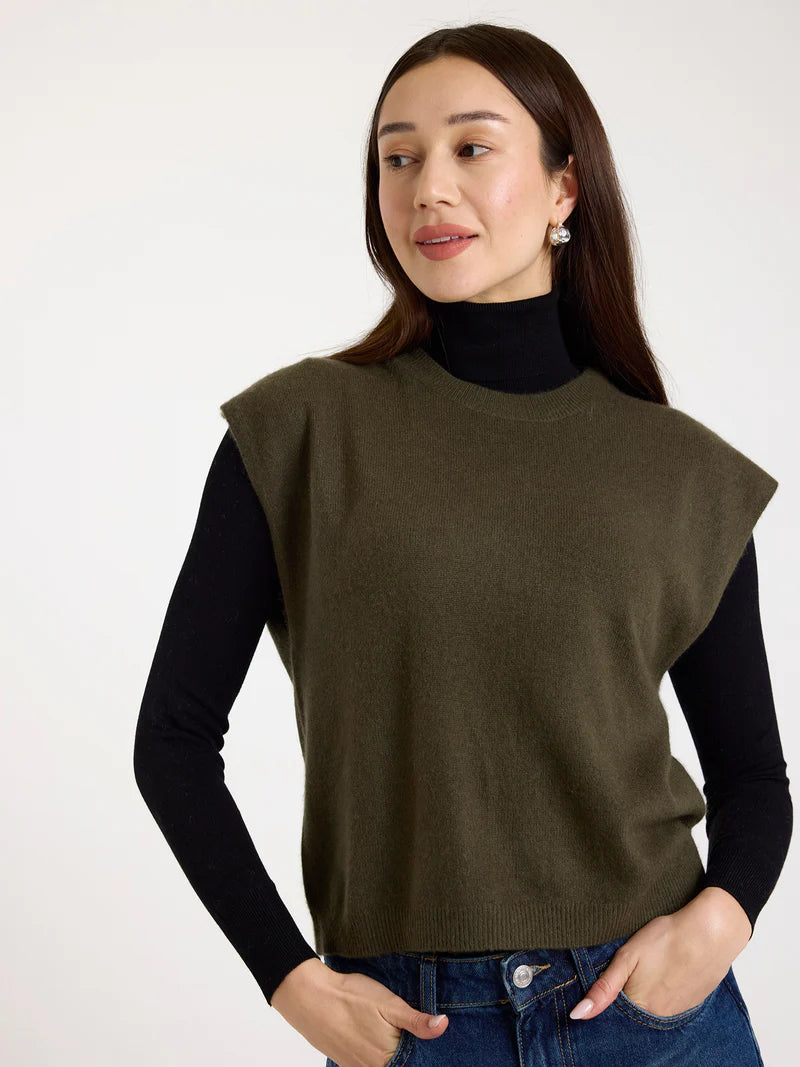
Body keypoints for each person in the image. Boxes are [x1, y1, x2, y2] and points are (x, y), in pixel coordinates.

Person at [133, 23, 791, 1066]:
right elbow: (172, 736)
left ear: (565, 189)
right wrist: (290, 978)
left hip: (651, 1017)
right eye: (397, 158)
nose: (427, 188)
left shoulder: (681, 472)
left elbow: (752, 775)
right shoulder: (298, 432)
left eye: (471, 148)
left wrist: (716, 922)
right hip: (411, 1024)